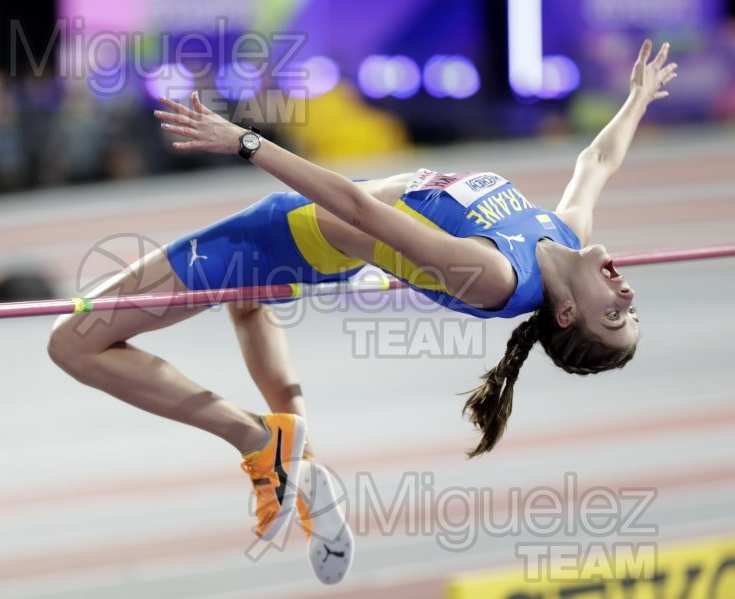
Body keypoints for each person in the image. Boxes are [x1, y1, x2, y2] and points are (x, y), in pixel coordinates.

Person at [48, 40, 676, 583]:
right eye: (634, 307)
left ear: (567, 316)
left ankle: (258, 439)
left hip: (286, 234)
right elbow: (596, 162)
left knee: (73, 342)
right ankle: (301, 469)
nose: (627, 296)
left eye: (617, 317)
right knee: (248, 307)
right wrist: (639, 98)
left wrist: (243, 141)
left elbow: (360, 208)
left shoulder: (494, 276)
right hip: (316, 247)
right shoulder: (562, 238)